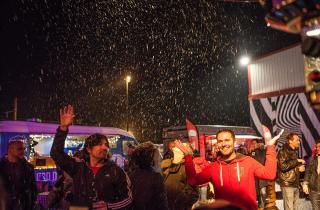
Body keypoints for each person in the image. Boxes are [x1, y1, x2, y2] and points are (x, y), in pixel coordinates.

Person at [176, 128, 283, 210]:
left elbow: (269, 174)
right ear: (217, 143)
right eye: (220, 141)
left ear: (234, 142)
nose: (224, 144)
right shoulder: (214, 167)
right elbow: (193, 180)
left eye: (227, 140)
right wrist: (188, 157)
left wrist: (270, 147)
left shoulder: (247, 161)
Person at [50, 105, 132, 210]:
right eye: (99, 144)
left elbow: (128, 199)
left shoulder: (116, 171)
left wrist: (109, 206)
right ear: (89, 149)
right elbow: (56, 153)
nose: (104, 147)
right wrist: (63, 128)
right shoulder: (78, 168)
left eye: (106, 145)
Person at [128, 141, 168, 210]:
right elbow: (162, 204)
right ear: (150, 159)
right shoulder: (156, 178)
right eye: (157, 156)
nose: (159, 159)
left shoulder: (132, 175)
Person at [0, 140, 37, 210]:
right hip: (5, 205)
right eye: (19, 149)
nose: (23, 151)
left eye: (24, 149)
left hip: (24, 206)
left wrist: (32, 203)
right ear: (10, 149)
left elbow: (33, 188)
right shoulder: (1, 167)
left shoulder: (29, 168)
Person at [161, 140, 198, 210]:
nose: (177, 146)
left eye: (181, 146)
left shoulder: (188, 167)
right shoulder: (164, 164)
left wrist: (178, 201)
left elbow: (193, 193)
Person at [277, 132, 305, 210]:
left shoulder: (294, 152)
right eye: (297, 140)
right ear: (290, 141)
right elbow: (283, 166)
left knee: (296, 207)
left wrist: (299, 167)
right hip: (287, 183)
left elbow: (293, 164)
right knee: (289, 207)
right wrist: (297, 161)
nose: (299, 142)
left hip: (295, 183)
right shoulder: (283, 151)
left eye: (299, 140)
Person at [248, 139, 269, 209]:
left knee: (263, 192)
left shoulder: (262, 151)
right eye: (252, 143)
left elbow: (264, 158)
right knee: (257, 193)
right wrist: (250, 152)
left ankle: (264, 206)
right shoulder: (252, 153)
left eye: (255, 143)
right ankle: (260, 206)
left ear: (258, 144)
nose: (253, 145)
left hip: (262, 174)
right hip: (255, 176)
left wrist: (262, 147)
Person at [303, 140, 320, 210]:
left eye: (319, 147)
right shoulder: (312, 159)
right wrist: (305, 184)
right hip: (314, 189)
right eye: (317, 147)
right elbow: (307, 172)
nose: (318, 148)